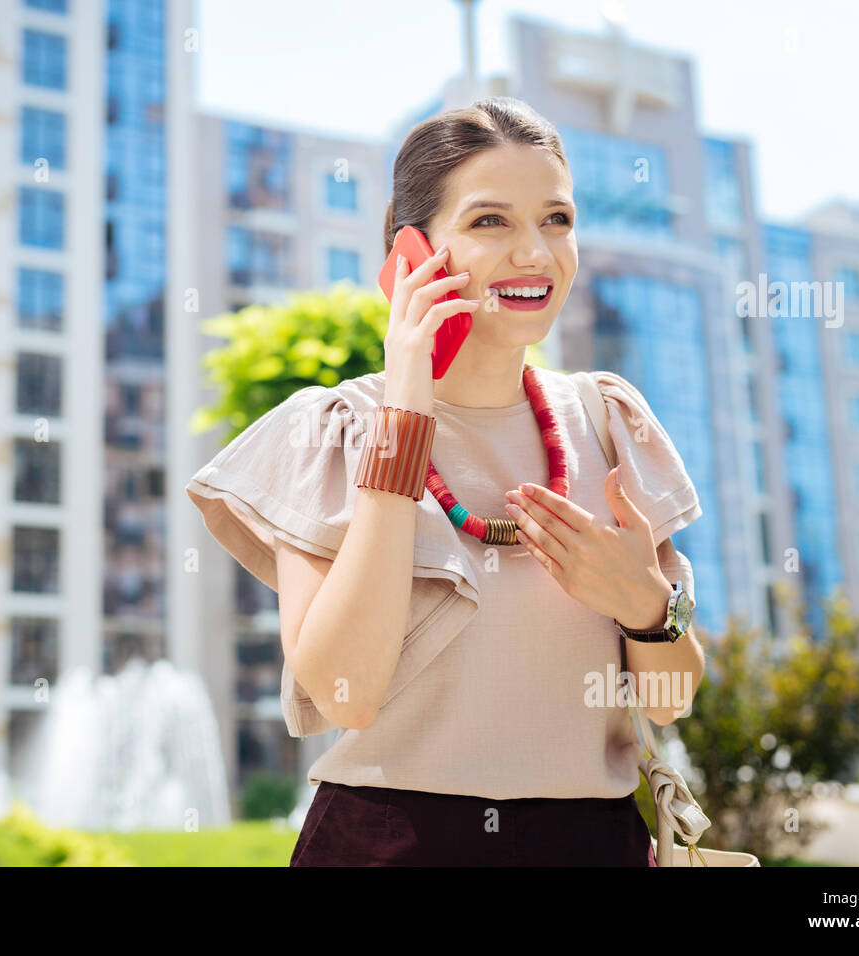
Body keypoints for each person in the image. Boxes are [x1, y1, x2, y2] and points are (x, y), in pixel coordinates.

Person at [187, 96, 705, 866]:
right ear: (413, 253)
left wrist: (645, 605)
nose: (535, 252)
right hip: (386, 844)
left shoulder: (607, 421)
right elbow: (344, 694)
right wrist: (404, 412)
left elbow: (671, 698)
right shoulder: (334, 430)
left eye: (556, 220)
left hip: (592, 842)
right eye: (491, 222)